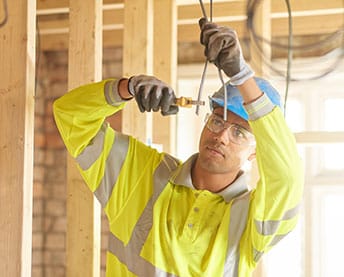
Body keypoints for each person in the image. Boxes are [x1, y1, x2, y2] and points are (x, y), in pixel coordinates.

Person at [53, 18, 304, 277]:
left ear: (255, 152)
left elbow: (286, 179)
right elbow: (70, 115)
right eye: (217, 120)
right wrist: (125, 88)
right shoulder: (140, 173)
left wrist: (242, 76)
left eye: (239, 132)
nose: (222, 137)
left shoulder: (252, 219)